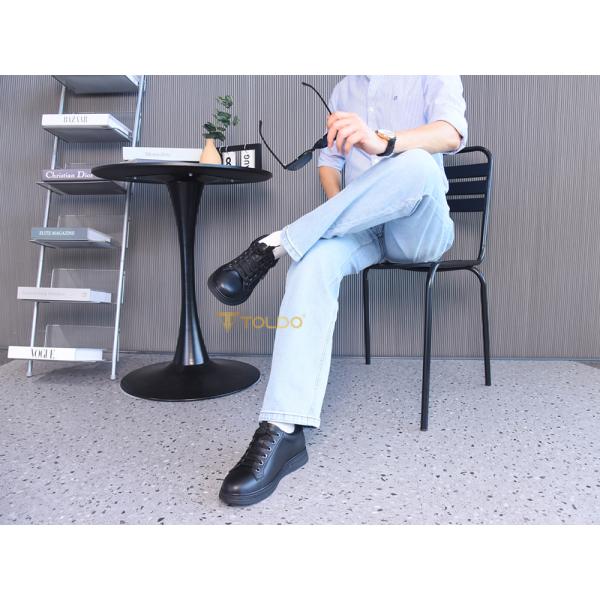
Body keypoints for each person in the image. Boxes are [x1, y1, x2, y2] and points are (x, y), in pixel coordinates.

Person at [208, 76, 468, 506]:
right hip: (362, 224)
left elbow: (450, 134)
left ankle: (275, 244)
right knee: (310, 265)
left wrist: (382, 143)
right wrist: (338, 217)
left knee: (418, 163)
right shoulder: (345, 88)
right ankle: (284, 429)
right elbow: (329, 160)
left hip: (418, 225)